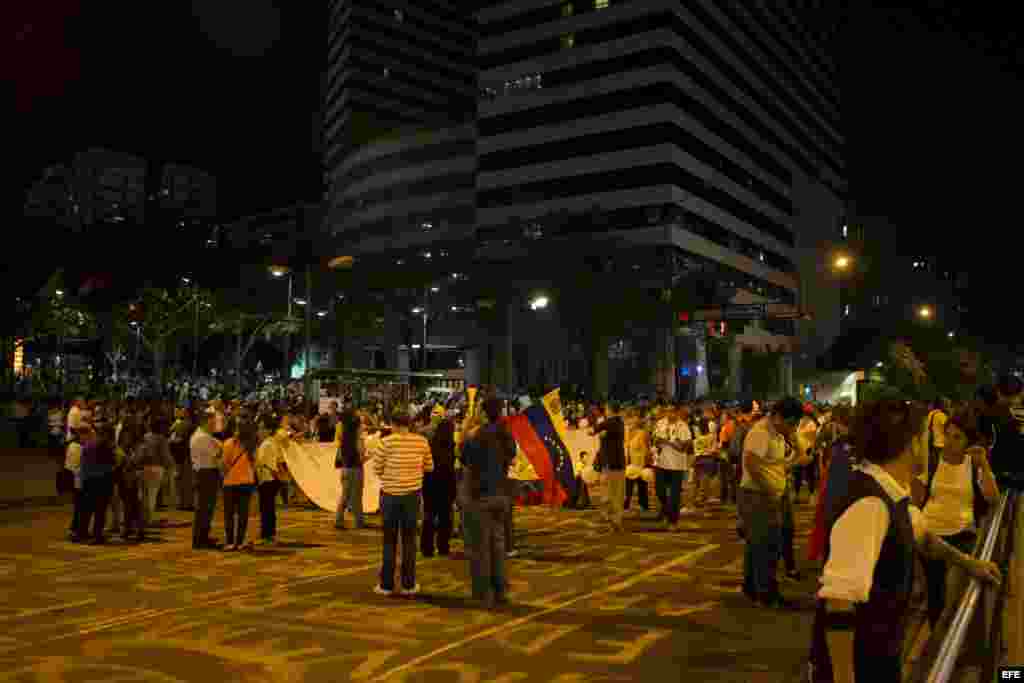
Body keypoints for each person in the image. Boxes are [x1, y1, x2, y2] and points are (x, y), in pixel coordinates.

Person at [808, 400, 1001, 683]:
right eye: (926, 436)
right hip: (861, 665)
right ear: (909, 444)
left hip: (881, 654)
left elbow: (922, 536)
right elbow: (839, 601)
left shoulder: (890, 493)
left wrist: (970, 563)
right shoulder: (870, 503)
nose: (933, 443)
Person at [914, 408, 999, 627]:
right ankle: (936, 651)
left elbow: (992, 498)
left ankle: (947, 648)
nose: (950, 442)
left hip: (962, 535)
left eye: (957, 437)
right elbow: (918, 498)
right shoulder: (932, 461)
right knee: (935, 600)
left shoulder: (973, 463)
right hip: (931, 535)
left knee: (951, 602)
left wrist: (985, 465)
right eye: (948, 435)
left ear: (968, 440)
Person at [738, 397, 806, 607]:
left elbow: (776, 466)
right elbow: (752, 464)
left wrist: (795, 444)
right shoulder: (760, 433)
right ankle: (766, 594)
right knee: (766, 545)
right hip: (758, 495)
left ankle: (752, 589)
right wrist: (769, 491)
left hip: (769, 493)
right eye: (791, 423)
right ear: (777, 417)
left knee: (758, 544)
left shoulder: (777, 433)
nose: (793, 428)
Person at [460, 398, 516, 608]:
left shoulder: (478, 435)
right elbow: (511, 457)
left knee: (480, 546)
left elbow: (464, 458)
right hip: (501, 494)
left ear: (483, 413)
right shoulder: (505, 433)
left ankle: (481, 592)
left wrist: (467, 431)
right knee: (498, 545)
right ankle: (500, 590)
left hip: (480, 495)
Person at [374, 411, 433, 597]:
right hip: (412, 496)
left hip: (390, 495)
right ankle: (408, 584)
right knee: (409, 540)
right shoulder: (421, 442)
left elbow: (377, 468)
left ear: (393, 424)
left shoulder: (385, 443)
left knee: (389, 541)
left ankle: (386, 585)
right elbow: (429, 466)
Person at [222, 418, 259, 551]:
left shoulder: (228, 443)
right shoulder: (252, 446)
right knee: (243, 513)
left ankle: (230, 542)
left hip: (230, 482)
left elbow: (224, 464)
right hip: (246, 482)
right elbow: (255, 465)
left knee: (229, 514)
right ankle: (241, 541)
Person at [422, 418, 457, 557]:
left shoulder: (431, 444)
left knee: (429, 517)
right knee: (445, 518)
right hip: (446, 485)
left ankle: (427, 548)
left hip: (430, 484)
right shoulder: (450, 446)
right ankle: (443, 546)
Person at [77, 422, 117, 544]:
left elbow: (83, 463)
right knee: (100, 510)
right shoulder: (104, 446)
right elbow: (111, 464)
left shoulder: (88, 444)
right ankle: (97, 535)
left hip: (88, 480)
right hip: (101, 481)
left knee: (86, 509)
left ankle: (81, 533)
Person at [133, 414, 175, 530]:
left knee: (142, 495)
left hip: (142, 468)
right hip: (156, 468)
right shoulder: (161, 439)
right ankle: (148, 519)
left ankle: (141, 518)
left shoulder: (145, 437)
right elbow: (166, 457)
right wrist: (171, 467)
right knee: (151, 495)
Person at [190, 408, 224, 550]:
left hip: (206, 473)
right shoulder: (202, 437)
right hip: (206, 473)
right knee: (204, 508)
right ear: (206, 421)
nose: (215, 424)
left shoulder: (204, 435)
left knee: (206, 508)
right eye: (212, 421)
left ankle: (203, 537)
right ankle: (200, 539)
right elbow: (218, 453)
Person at [653, 408, 690, 530]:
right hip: (661, 462)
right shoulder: (660, 423)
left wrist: (668, 443)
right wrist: (658, 442)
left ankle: (672, 521)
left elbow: (685, 446)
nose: (670, 414)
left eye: (672, 411)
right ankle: (666, 510)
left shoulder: (683, 426)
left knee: (674, 495)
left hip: (677, 465)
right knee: (659, 490)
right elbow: (655, 440)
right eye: (667, 411)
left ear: (677, 412)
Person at [592, 403, 627, 533]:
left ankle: (615, 520)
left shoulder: (613, 422)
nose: (605, 411)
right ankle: (613, 519)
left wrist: (597, 431)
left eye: (607, 409)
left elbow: (596, 429)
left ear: (611, 411)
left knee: (614, 493)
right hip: (614, 463)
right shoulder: (617, 423)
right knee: (613, 493)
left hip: (614, 464)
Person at [255, 414, 289, 545]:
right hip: (271, 479)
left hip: (267, 479)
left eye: (261, 428)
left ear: (268, 430)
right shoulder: (272, 442)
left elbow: (263, 463)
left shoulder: (267, 444)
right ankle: (269, 534)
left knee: (266, 509)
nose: (259, 431)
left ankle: (267, 535)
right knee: (268, 508)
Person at [335, 410, 369, 530]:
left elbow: (339, 456)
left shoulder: (343, 439)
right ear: (357, 427)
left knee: (345, 495)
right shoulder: (358, 440)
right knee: (357, 496)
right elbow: (362, 456)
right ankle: (359, 522)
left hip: (345, 469)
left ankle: (339, 520)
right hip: (356, 469)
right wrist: (369, 456)